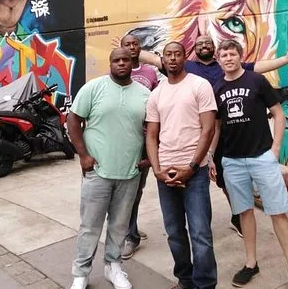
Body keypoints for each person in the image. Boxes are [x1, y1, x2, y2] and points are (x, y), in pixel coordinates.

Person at [139, 35, 288, 236]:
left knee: (228, 178)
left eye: (207, 43)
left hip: (228, 130)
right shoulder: (187, 66)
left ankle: (237, 215)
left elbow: (258, 67)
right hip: (202, 134)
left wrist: (286, 59)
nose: (204, 45)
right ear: (193, 50)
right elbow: (155, 59)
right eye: (199, 43)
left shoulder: (224, 65)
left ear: (213, 48)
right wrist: (133, 50)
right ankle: (234, 213)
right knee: (217, 176)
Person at [212, 40, 288, 288]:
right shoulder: (217, 87)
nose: (228, 58)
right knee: (244, 212)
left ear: (240, 57)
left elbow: (278, 113)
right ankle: (251, 263)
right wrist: (211, 156)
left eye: (232, 54)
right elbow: (217, 126)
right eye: (224, 55)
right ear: (218, 60)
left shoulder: (256, 81)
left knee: (277, 212)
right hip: (232, 161)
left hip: (262, 157)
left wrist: (276, 149)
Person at [67, 47, 151, 289]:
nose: (121, 63)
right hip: (98, 171)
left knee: (119, 225)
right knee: (90, 226)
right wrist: (83, 155)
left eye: (126, 60)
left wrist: (148, 157)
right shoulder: (93, 88)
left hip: (130, 172)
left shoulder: (144, 94)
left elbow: (152, 128)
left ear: (132, 63)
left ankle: (113, 266)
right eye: (117, 60)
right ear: (110, 63)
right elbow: (73, 119)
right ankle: (81, 273)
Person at [146, 41, 218, 289]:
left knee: (200, 233)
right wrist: (157, 170)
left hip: (194, 171)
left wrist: (192, 166)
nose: (173, 58)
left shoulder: (199, 85)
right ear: (163, 59)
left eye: (177, 54)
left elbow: (208, 129)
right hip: (166, 172)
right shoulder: (156, 93)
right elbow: (151, 135)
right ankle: (185, 281)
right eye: (168, 54)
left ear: (185, 57)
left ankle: (205, 284)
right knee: (175, 232)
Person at [119, 34, 159, 260]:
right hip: (126, 140)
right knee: (128, 190)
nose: (132, 47)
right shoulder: (117, 72)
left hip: (146, 139)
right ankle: (130, 235)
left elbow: (157, 103)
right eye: (127, 44)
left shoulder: (150, 72)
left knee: (138, 188)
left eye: (135, 44)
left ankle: (131, 228)